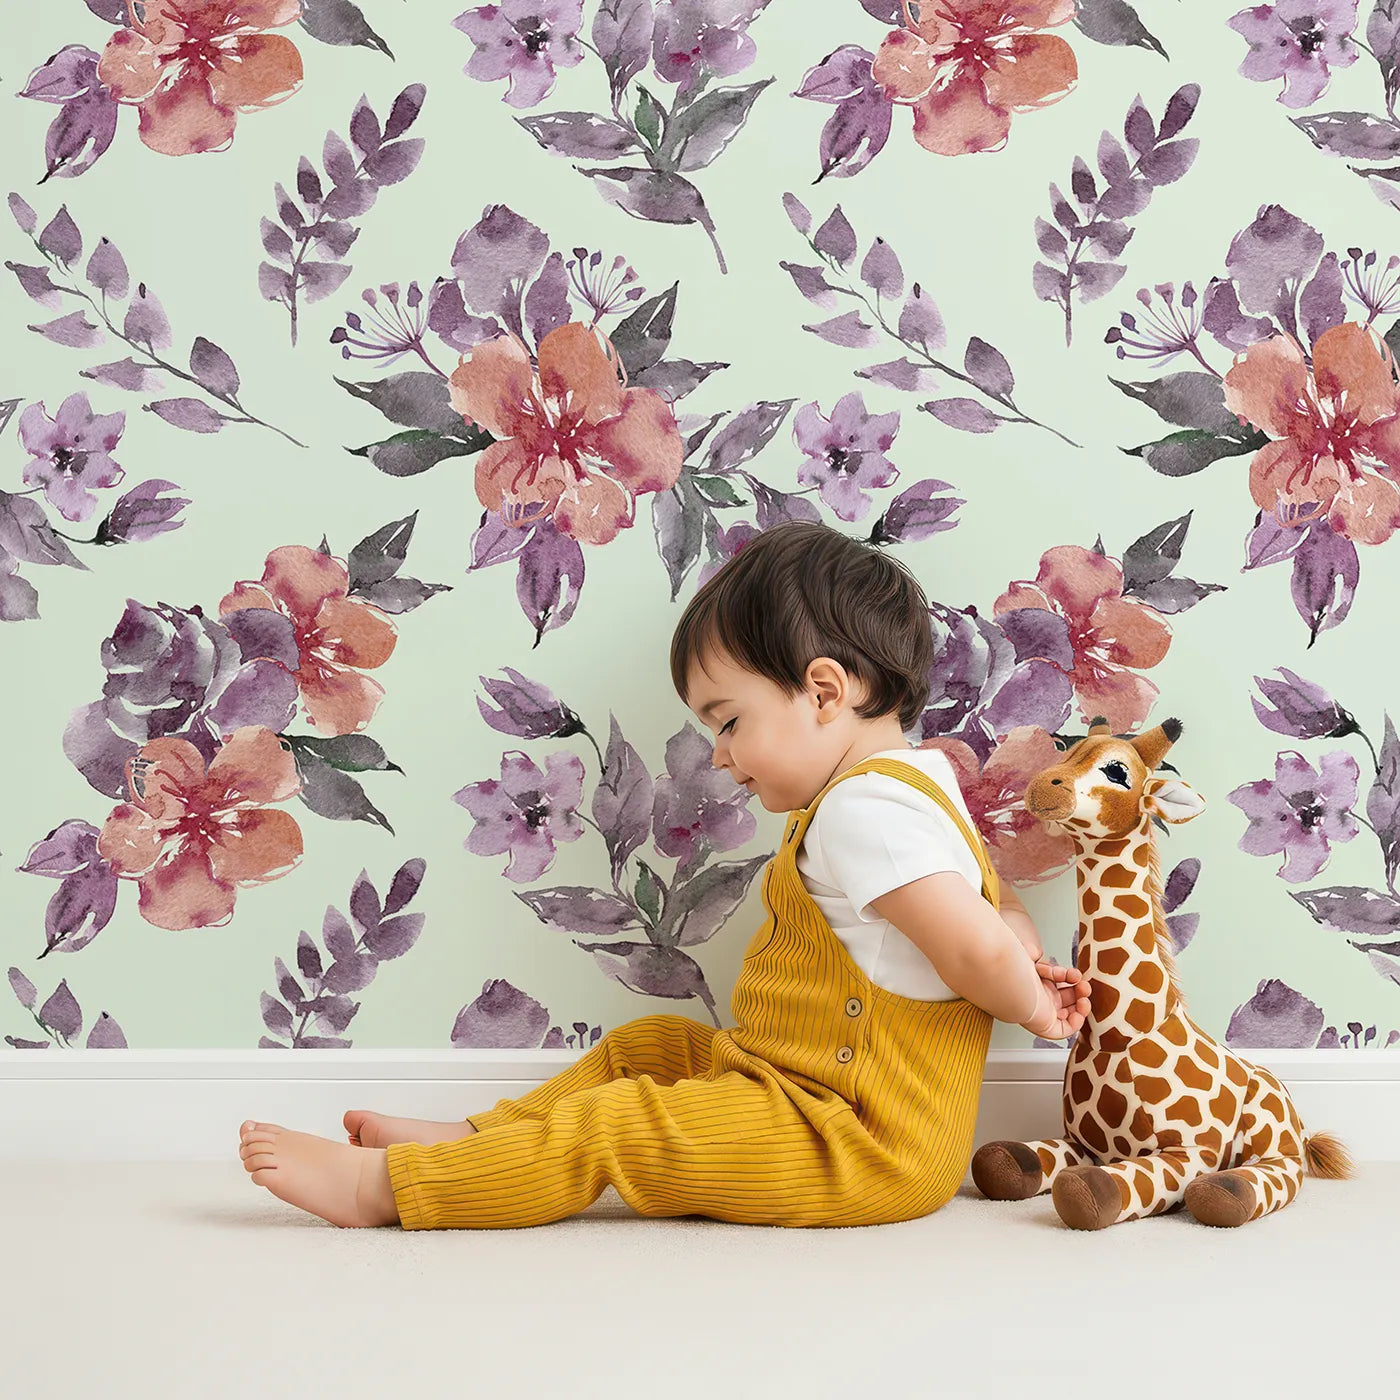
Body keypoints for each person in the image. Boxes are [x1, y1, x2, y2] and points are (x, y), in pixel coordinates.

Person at [238, 520, 1090, 1228]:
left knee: (625, 1123)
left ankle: (391, 1191)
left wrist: (1030, 1001)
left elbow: (974, 951)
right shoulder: (926, 785)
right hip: (808, 1096)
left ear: (825, 693)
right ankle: (468, 1138)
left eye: (729, 721)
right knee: (652, 1049)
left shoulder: (861, 812)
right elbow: (996, 905)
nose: (718, 758)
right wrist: (1027, 953)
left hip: (855, 1142)